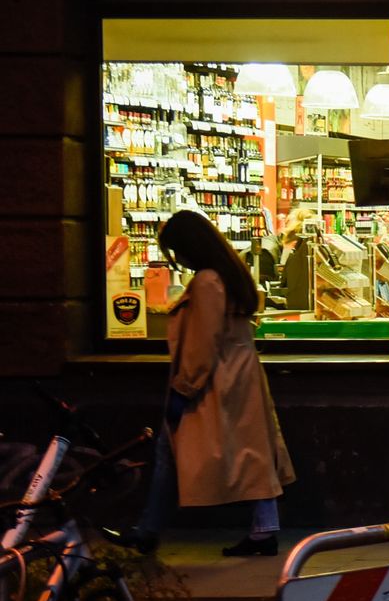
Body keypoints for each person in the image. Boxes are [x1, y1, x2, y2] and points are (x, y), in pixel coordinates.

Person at [104, 210, 296, 556]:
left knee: (170, 449)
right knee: (254, 456)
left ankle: (148, 530)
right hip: (238, 379)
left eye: (176, 250)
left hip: (214, 384)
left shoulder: (207, 281)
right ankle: (263, 530)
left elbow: (202, 344)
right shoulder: (228, 273)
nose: (176, 259)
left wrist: (184, 389)